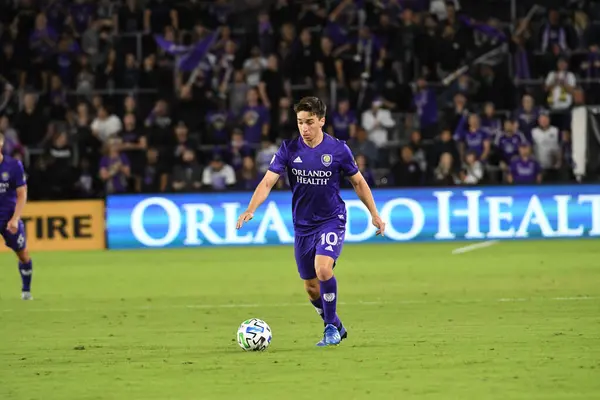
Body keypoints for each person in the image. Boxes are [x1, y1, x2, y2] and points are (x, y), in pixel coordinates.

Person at [236, 97, 386, 346]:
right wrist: (251, 208)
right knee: (311, 288)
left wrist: (375, 213)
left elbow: (358, 182)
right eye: (300, 123)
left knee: (323, 269)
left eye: (309, 122)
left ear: (322, 121)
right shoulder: (289, 149)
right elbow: (267, 181)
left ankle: (329, 330)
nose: (304, 128)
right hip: (303, 226)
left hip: (331, 219)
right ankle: (336, 324)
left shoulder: (338, 150)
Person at [0, 133, 33, 300]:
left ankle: (26, 290)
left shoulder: (13, 166)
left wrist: (15, 219)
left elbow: (22, 194)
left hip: (8, 219)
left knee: (23, 254)